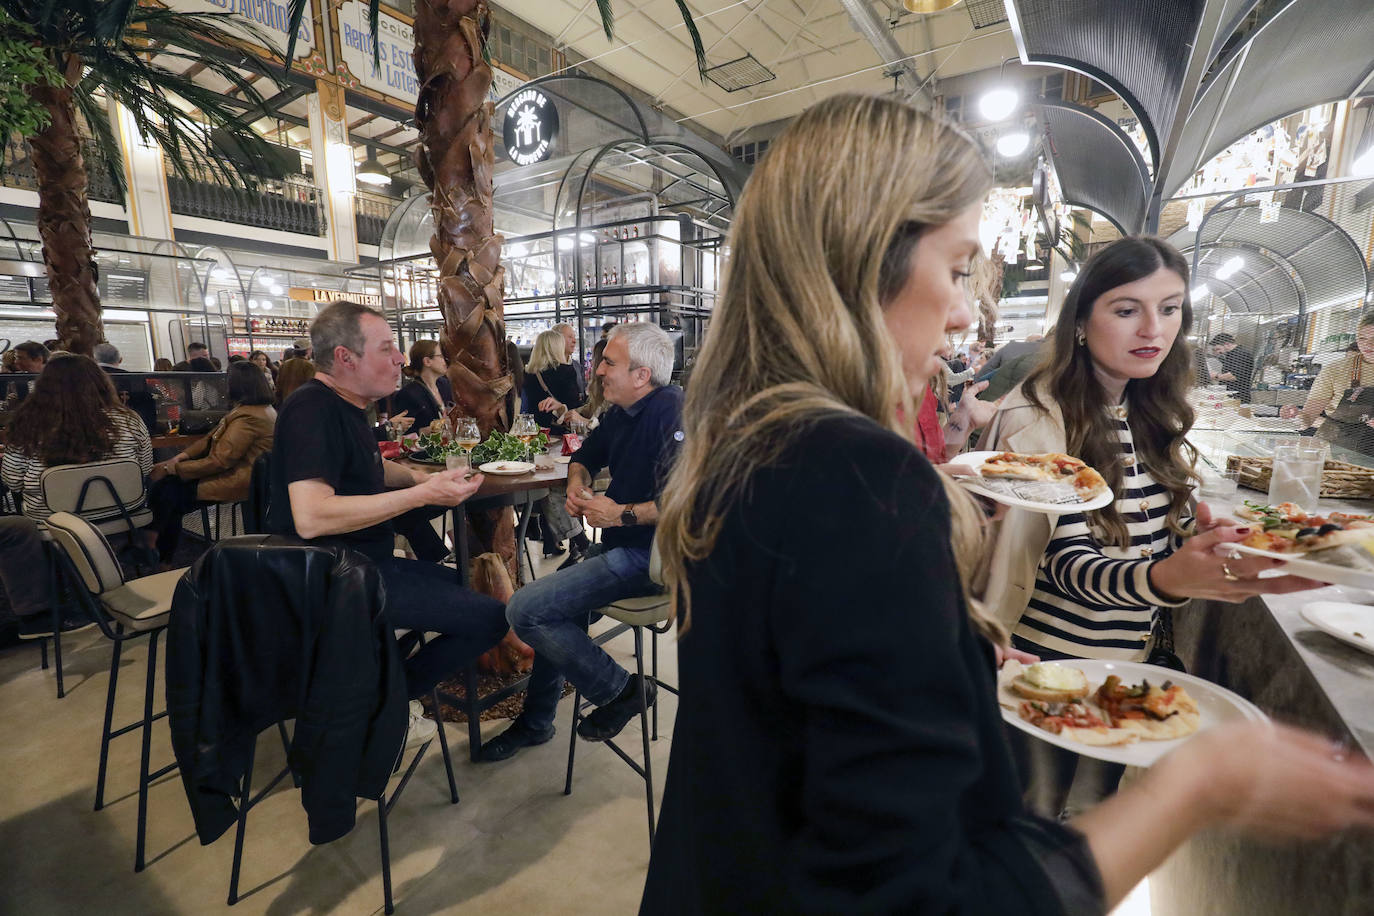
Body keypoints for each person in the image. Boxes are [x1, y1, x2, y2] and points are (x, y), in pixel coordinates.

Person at [637, 94, 1374, 915]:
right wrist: (1201, 782)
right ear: (862, 258)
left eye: (1169, 311)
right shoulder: (862, 480)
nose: (960, 315)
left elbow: (792, 708)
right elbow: (948, 900)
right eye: (956, 269)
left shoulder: (749, 444)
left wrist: (954, 655)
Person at [977, 236, 1323, 818]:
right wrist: (1167, 577)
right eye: (1126, 309)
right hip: (1042, 670)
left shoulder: (1144, 407)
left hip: (1122, 668)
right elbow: (1066, 563)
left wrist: (1195, 531)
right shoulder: (1037, 418)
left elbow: (1140, 520)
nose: (1152, 329)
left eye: (1170, 309)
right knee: (1026, 841)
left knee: (1088, 834)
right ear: (1082, 319)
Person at [267, 300, 509, 722]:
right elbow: (313, 516)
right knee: (490, 617)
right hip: (336, 580)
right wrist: (422, 496)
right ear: (345, 357)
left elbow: (374, 468)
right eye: (386, 348)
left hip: (364, 567)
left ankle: (378, 687)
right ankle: (389, 701)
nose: (400, 358)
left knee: (471, 586)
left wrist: (420, 482)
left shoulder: (347, 405)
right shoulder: (312, 409)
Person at [480, 322, 682, 762]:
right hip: (617, 548)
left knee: (525, 608)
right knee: (555, 613)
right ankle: (536, 723)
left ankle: (622, 690)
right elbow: (585, 457)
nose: (597, 371)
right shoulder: (621, 413)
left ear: (641, 375)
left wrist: (621, 513)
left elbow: (690, 502)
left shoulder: (672, 410)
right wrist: (577, 484)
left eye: (609, 362)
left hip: (651, 558)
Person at [139, 361, 276, 567]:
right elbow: (209, 440)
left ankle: (154, 549)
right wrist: (179, 459)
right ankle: (155, 549)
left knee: (169, 492)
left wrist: (171, 467)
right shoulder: (254, 410)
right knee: (168, 491)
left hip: (241, 481)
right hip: (243, 475)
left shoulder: (248, 416)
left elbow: (220, 461)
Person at [1, 354, 152, 523]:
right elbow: (145, 469)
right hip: (125, 513)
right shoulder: (129, 419)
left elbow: (12, 481)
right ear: (100, 383)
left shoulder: (27, 424)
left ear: (44, 386)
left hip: (55, 521)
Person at [1281, 311, 1374, 451]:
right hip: (1340, 451)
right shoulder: (1335, 370)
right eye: (1362, 338)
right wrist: (1295, 416)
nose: (1368, 344)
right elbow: (1308, 418)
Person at [524, 329, 585, 434]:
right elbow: (575, 406)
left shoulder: (528, 373)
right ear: (558, 348)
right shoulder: (566, 370)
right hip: (560, 430)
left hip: (535, 429)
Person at [94, 342, 158, 434]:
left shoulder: (87, 379)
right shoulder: (136, 379)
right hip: (134, 433)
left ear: (94, 360)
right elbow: (148, 415)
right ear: (120, 360)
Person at [392, 340, 452, 433]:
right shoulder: (408, 394)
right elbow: (402, 432)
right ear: (427, 361)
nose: (446, 360)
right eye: (441, 356)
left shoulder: (445, 385)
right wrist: (428, 431)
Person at [1209, 332, 1254, 400]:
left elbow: (1234, 376)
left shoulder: (1241, 354)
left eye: (1219, 349)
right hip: (1230, 395)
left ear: (1227, 344)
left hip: (1239, 397)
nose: (1218, 352)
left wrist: (1216, 376)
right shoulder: (1230, 355)